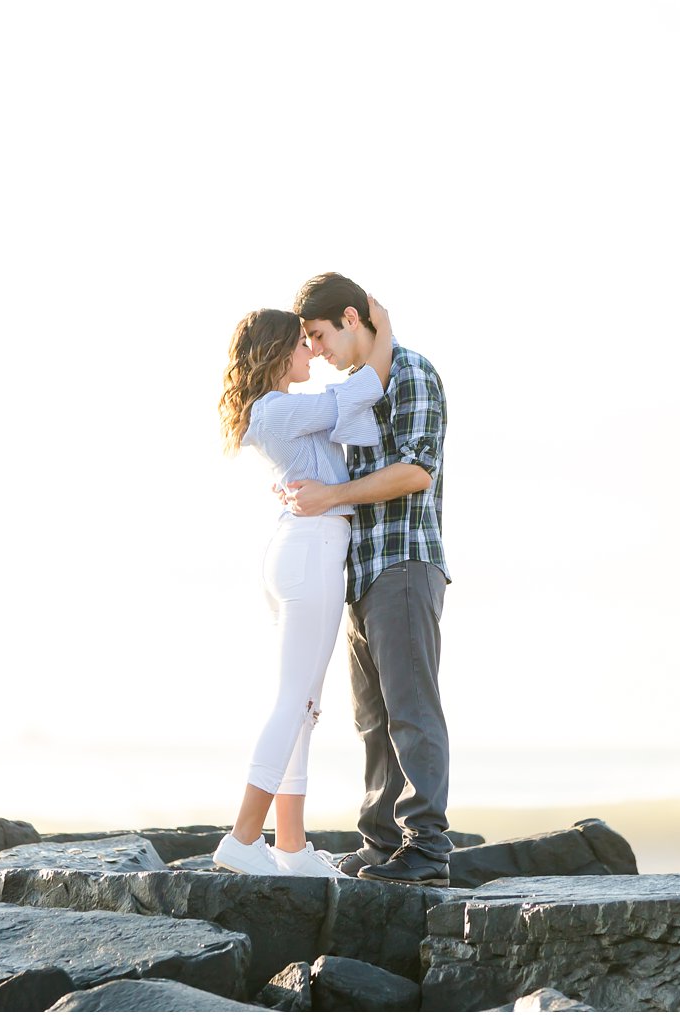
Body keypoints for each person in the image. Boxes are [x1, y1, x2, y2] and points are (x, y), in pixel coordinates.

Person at [211, 296, 395, 878]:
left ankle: (288, 845)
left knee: (303, 705)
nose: (310, 352)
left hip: (302, 546)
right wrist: (382, 326)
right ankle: (244, 838)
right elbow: (364, 390)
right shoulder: (279, 411)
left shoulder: (281, 410)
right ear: (274, 352)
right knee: (295, 702)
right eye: (300, 343)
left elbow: (353, 417)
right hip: (311, 548)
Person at [284, 272, 452, 887]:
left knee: (411, 710)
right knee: (374, 720)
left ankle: (427, 848)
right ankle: (382, 843)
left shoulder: (413, 373)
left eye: (319, 334)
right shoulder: (360, 387)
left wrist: (332, 496)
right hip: (362, 574)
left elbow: (415, 471)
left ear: (352, 319)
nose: (318, 350)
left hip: (405, 562)